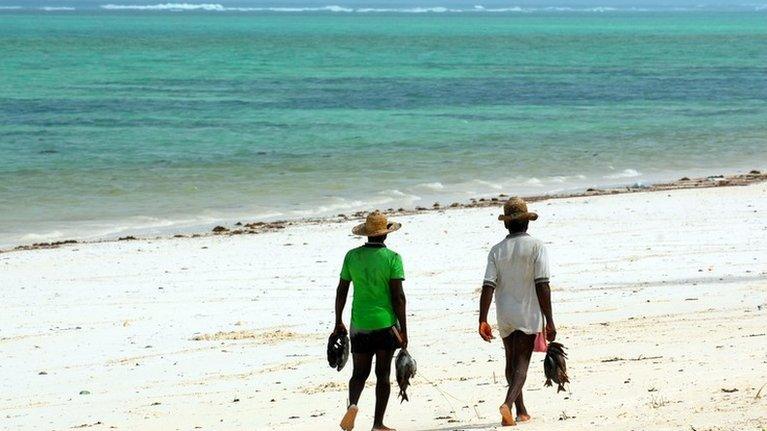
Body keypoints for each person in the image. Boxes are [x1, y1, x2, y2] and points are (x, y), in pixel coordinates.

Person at [478, 197, 555, 426]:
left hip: (505, 314)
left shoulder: (496, 250)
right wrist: (549, 319)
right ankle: (508, 404)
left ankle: (521, 410)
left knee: (510, 362)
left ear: (505, 224)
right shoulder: (536, 247)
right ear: (527, 222)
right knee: (521, 364)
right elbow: (542, 284)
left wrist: (482, 318)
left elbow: (487, 286)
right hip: (527, 313)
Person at [332, 211, 407, 431]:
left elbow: (341, 291)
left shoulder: (351, 256)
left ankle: (353, 405)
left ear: (367, 234)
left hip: (360, 325)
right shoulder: (393, 258)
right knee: (382, 375)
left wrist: (338, 321)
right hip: (385, 325)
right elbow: (398, 297)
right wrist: (404, 331)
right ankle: (377, 424)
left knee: (358, 374)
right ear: (385, 235)